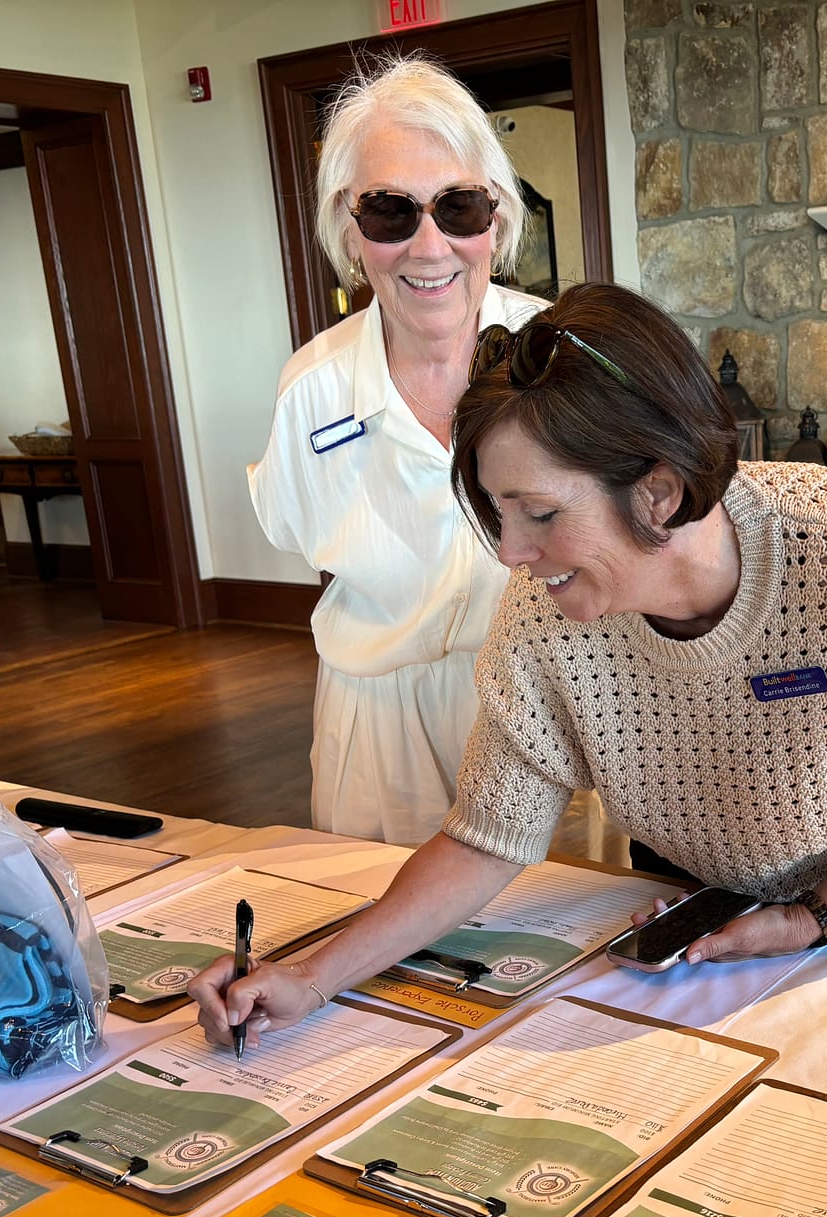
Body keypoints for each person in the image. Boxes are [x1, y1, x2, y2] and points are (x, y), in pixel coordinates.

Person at [192, 283, 827, 1048]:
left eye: (540, 513)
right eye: (499, 513)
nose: (511, 553)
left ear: (658, 490)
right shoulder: (543, 617)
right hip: (700, 889)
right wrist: (309, 976)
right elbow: (485, 838)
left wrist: (815, 914)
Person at [249, 56, 606, 850]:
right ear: (349, 227)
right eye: (389, 212)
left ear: (498, 216)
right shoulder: (312, 391)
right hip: (377, 726)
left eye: (458, 207)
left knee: (567, 938)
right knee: (383, 947)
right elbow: (294, 527)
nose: (428, 245)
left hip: (554, 701)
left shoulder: (572, 358)